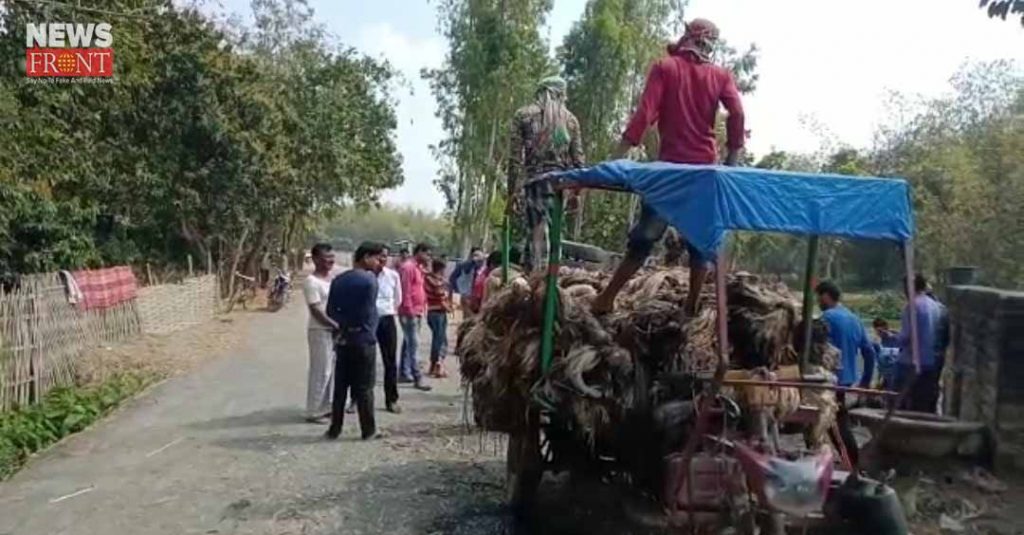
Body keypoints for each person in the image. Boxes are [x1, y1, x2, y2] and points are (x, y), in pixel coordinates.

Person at [591, 18, 745, 316]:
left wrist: (617, 156)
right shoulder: (721, 76)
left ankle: (606, 298)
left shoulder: (666, 67)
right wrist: (733, 159)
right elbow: (737, 112)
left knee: (645, 236)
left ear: (688, 37)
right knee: (700, 241)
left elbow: (645, 113)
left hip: (668, 173)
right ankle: (692, 302)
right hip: (703, 172)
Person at [506, 76, 585, 274]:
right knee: (552, 230)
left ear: (541, 92)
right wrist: (577, 193)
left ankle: (538, 277)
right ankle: (547, 277)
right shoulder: (571, 121)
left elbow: (514, 160)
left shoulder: (523, 115)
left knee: (537, 230)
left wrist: (512, 193)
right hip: (561, 185)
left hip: (535, 183)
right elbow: (579, 162)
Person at [325, 242, 386, 441]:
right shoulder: (370, 281)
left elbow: (330, 311)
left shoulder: (339, 280)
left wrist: (343, 326)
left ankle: (335, 428)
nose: (380, 263)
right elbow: (367, 312)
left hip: (344, 338)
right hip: (364, 339)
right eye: (377, 258)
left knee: (341, 386)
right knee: (365, 387)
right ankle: (368, 430)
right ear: (366, 257)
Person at [816, 281, 877, 466]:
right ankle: (849, 460)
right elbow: (870, 352)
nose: (818, 301)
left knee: (832, 422)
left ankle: (851, 462)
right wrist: (866, 380)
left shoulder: (826, 318)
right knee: (837, 420)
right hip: (846, 380)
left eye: (819, 297)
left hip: (827, 380)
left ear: (826, 296)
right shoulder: (854, 319)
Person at [894, 274, 947, 413]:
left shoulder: (912, 306)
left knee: (898, 401)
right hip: (931, 362)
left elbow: (906, 337)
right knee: (924, 403)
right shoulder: (937, 307)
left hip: (910, 363)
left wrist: (893, 337)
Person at [302, 243, 338, 423]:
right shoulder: (311, 282)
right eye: (326, 258)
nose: (330, 261)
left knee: (331, 371)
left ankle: (326, 406)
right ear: (315, 259)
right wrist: (335, 325)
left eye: (332, 257)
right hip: (320, 330)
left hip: (333, 331)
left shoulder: (332, 279)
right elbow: (316, 309)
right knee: (321, 371)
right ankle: (314, 410)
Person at [398, 243, 433, 391]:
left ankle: (404, 372)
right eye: (427, 254)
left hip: (417, 310)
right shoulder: (408, 268)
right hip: (409, 311)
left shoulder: (418, 268)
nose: (429, 257)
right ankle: (417, 376)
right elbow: (405, 289)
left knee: (409, 342)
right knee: (414, 344)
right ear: (419, 252)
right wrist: (408, 308)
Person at [375, 246, 403, 413]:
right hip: (368, 320)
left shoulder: (393, 275)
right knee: (364, 362)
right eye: (379, 256)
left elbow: (397, 299)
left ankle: (391, 399)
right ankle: (356, 399)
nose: (382, 259)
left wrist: (387, 310)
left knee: (390, 362)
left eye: (385, 256)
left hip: (386, 319)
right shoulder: (365, 276)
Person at [425, 259, 452, 378]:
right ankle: (438, 364)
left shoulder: (428, 278)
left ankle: (434, 364)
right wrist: (449, 307)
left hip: (432, 311)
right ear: (441, 269)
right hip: (438, 311)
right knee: (440, 340)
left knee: (438, 338)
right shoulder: (436, 281)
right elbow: (441, 296)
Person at [872, 318, 900, 391]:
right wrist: (878, 379)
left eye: (880, 331)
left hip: (896, 372)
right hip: (886, 371)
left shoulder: (895, 337)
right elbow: (880, 363)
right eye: (877, 331)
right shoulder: (880, 341)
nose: (878, 333)